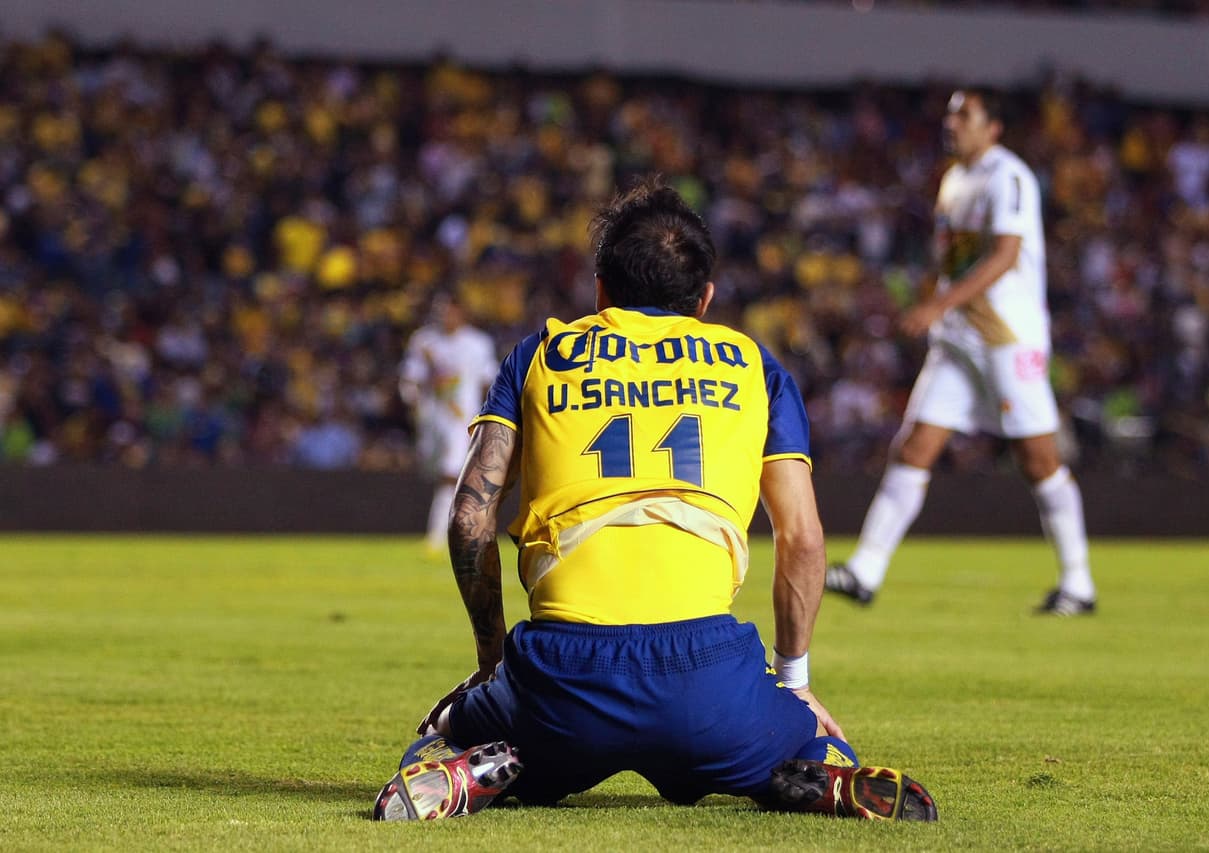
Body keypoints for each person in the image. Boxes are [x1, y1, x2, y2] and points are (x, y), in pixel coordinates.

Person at [373, 178, 937, 822]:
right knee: (811, 739)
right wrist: (796, 681)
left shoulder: (539, 355)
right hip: (708, 677)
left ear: (600, 292)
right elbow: (802, 539)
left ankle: (465, 770)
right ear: (705, 299)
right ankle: (823, 774)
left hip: (562, 674)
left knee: (445, 726)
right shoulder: (755, 366)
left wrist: (493, 660)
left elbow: (470, 517)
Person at [825, 88, 1097, 616]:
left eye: (965, 115)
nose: (953, 123)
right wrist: (940, 305)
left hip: (1005, 336)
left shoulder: (1008, 176)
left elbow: (1004, 257)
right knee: (913, 447)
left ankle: (1078, 584)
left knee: (1039, 459)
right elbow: (957, 257)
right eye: (951, 115)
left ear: (993, 127)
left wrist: (936, 303)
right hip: (958, 337)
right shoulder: (953, 179)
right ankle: (865, 570)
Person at [399, 291, 498, 554]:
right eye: (440, 310)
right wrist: (413, 400)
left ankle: (437, 538)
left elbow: (489, 380)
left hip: (461, 421)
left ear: (461, 312)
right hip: (431, 420)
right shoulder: (424, 342)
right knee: (434, 471)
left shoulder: (478, 344)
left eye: (449, 310)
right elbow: (411, 378)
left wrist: (488, 417)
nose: (445, 315)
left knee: (450, 474)